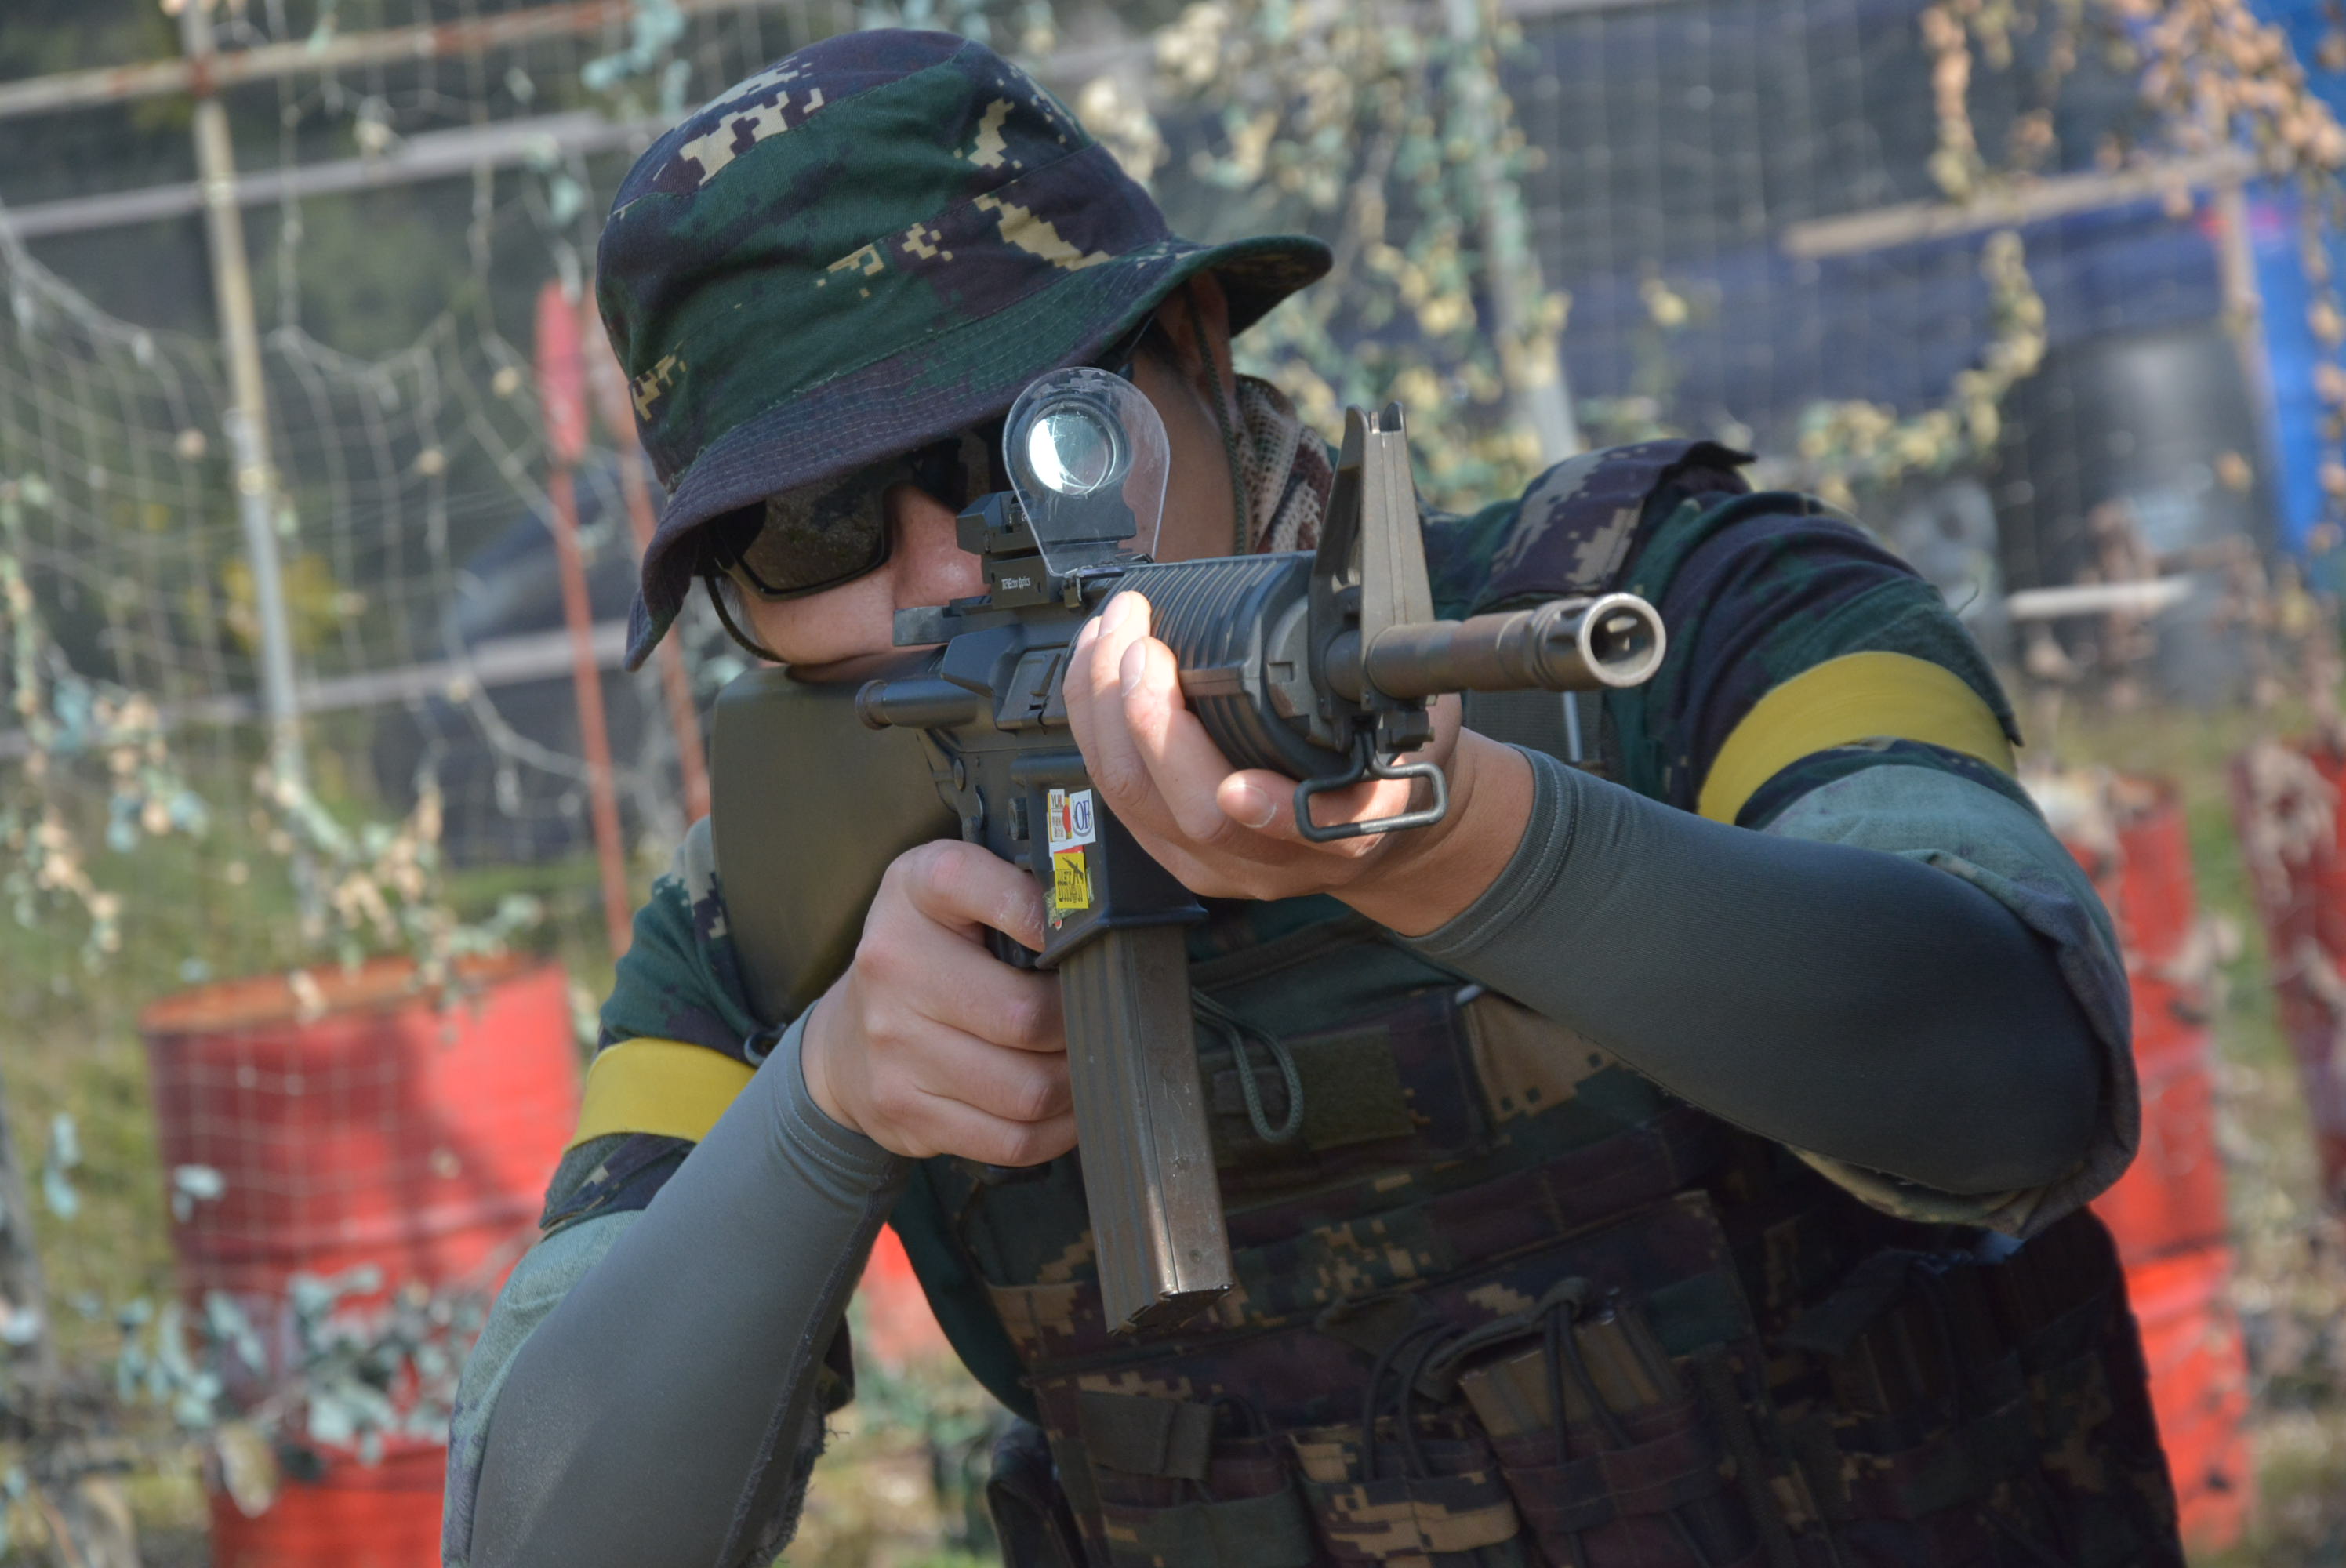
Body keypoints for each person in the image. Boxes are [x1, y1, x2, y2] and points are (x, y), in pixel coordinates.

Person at [444, 30, 2181, 1568]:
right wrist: (825, 1108)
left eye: (1013, 449)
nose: (951, 570)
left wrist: (1489, 856)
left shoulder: (1677, 602)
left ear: (1194, 344)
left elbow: (2024, 1080)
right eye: (812, 529)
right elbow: (540, 1531)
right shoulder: (777, 910)